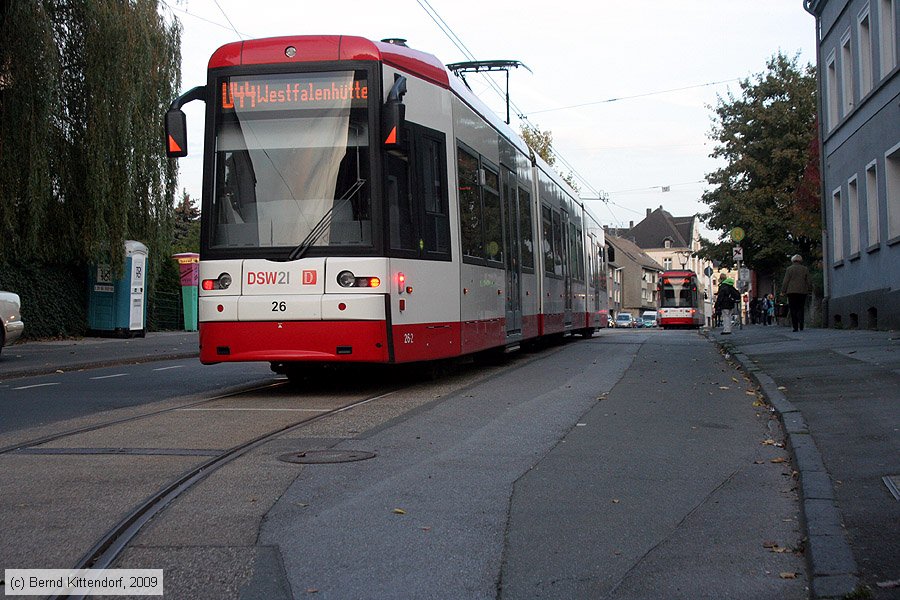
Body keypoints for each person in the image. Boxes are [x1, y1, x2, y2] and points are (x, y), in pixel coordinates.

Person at [781, 254, 812, 332]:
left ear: (793, 261)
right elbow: (808, 281)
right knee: (801, 308)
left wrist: (783, 291)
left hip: (791, 292)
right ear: (800, 261)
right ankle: (801, 324)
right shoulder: (805, 269)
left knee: (793, 309)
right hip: (802, 291)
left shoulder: (789, 269)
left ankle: (795, 327)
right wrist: (810, 289)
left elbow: (785, 281)